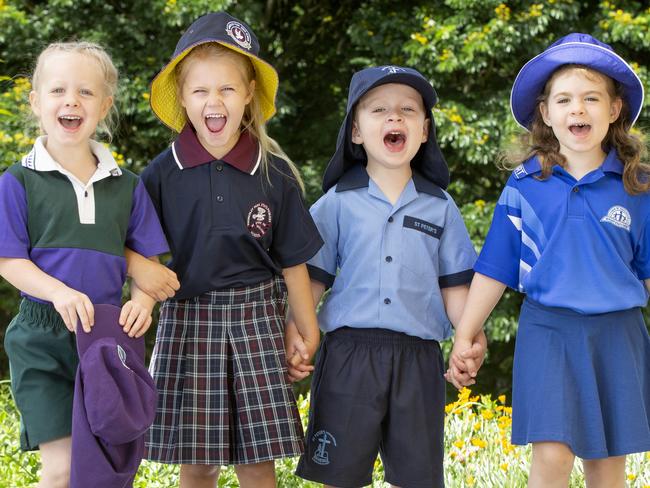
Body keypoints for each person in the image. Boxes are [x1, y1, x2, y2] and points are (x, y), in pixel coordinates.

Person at [449, 33, 650, 488]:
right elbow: (494, 270)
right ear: (546, 113)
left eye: (591, 98)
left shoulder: (639, 186)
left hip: (618, 334)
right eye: (564, 99)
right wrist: (464, 335)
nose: (577, 109)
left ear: (615, 109)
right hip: (548, 331)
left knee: (607, 464)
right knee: (553, 454)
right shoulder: (524, 186)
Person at [141, 12, 323, 488]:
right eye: (200, 90)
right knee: (197, 463)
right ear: (182, 98)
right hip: (188, 316)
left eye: (227, 89)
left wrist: (305, 330)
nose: (214, 100)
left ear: (248, 96)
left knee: (256, 461)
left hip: (257, 320)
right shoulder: (160, 173)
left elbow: (293, 263)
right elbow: (134, 247)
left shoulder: (275, 173)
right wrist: (144, 284)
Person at [289, 65, 486, 488]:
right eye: (379, 109)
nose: (395, 118)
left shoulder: (441, 207)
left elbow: (455, 289)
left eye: (408, 110)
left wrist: (470, 337)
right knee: (340, 475)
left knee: (417, 478)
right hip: (348, 357)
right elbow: (313, 282)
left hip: (418, 359)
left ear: (425, 130)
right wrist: (298, 333)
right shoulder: (336, 202)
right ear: (356, 132)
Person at [0, 41, 170, 488]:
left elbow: (147, 265)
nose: (71, 100)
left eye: (85, 92)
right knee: (59, 471)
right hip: (42, 338)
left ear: (105, 105)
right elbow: (10, 261)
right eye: (57, 90)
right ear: (36, 103)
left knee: (101, 472)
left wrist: (142, 304)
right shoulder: (17, 181)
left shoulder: (127, 186)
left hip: (106, 340)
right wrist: (58, 292)